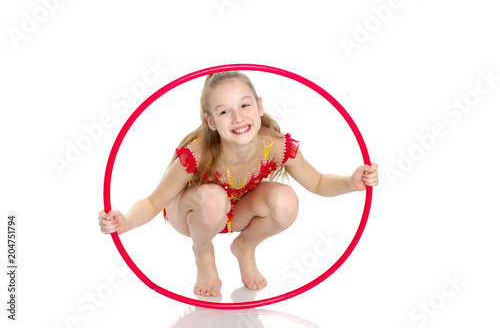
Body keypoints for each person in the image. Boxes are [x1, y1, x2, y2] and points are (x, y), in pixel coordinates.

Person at [98, 71, 379, 297]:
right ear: (210, 121)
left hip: (236, 212)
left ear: (259, 105)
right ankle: (204, 253)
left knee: (286, 200)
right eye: (224, 112)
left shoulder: (276, 146)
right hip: (192, 214)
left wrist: (350, 182)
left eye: (244, 105)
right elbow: (152, 202)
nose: (238, 117)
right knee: (212, 198)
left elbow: (317, 181)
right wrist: (126, 222)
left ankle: (245, 247)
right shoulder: (198, 155)